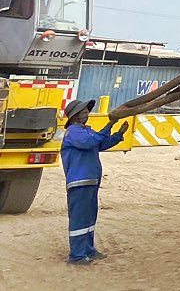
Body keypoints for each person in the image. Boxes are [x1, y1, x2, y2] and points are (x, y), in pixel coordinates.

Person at [61, 98, 129, 266]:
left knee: (89, 218)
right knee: (79, 218)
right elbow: (91, 142)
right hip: (80, 182)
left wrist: (118, 134)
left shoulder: (85, 131)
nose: (87, 113)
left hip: (90, 181)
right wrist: (109, 124)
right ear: (74, 116)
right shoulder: (74, 131)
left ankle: (88, 250)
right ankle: (77, 255)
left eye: (87, 110)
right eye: (83, 111)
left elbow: (101, 144)